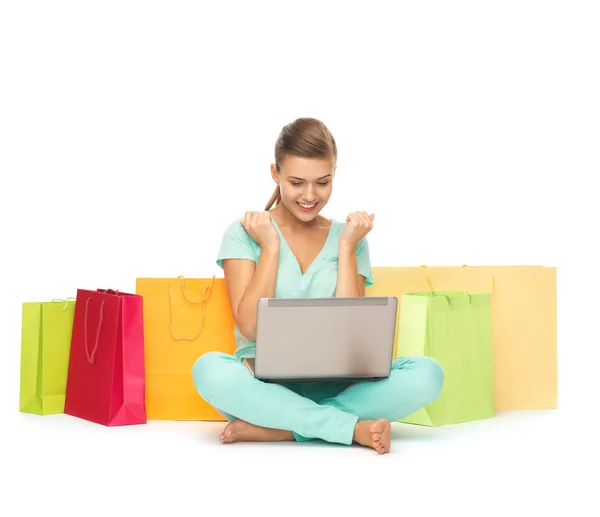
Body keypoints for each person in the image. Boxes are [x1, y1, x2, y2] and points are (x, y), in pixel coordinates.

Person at [192, 117, 444, 454]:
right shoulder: (243, 233)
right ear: (275, 173)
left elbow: (354, 335)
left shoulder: (351, 238)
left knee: (428, 374)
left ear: (333, 175)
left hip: (343, 390)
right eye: (297, 182)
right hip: (264, 390)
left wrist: (346, 248)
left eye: (322, 183)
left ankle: (286, 431)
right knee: (209, 370)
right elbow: (251, 327)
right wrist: (270, 247)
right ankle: (349, 427)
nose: (310, 196)